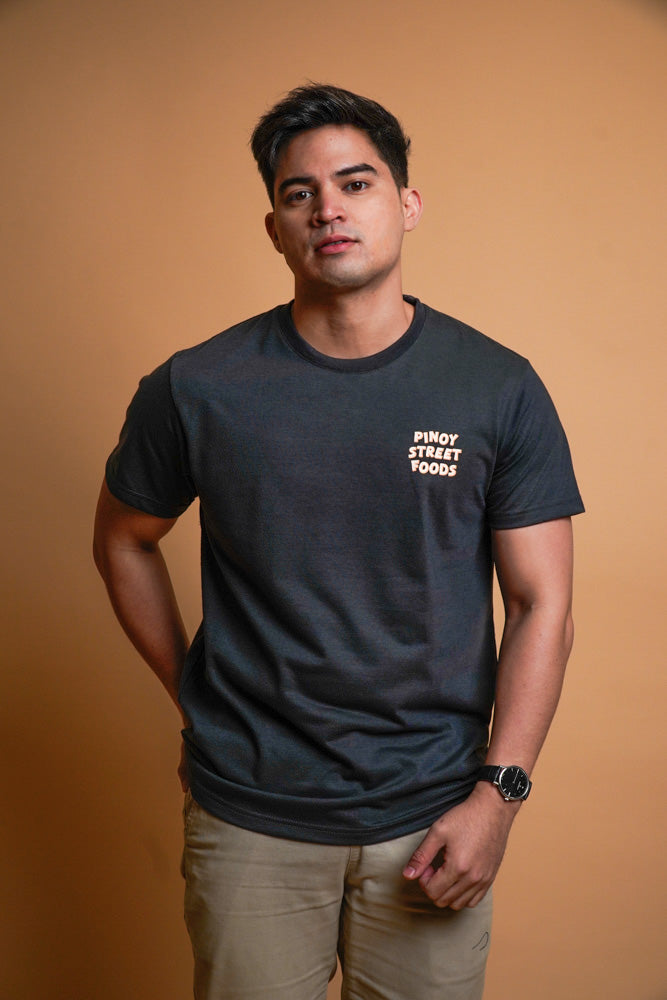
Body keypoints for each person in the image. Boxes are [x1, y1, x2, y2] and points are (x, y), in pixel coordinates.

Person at [93, 83, 584, 1000]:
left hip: (435, 813)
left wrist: (498, 796)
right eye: (299, 193)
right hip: (249, 811)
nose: (328, 209)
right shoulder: (197, 388)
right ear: (274, 228)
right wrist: (191, 690)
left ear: (406, 203)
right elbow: (123, 539)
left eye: (355, 183)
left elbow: (540, 604)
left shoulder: (496, 388)